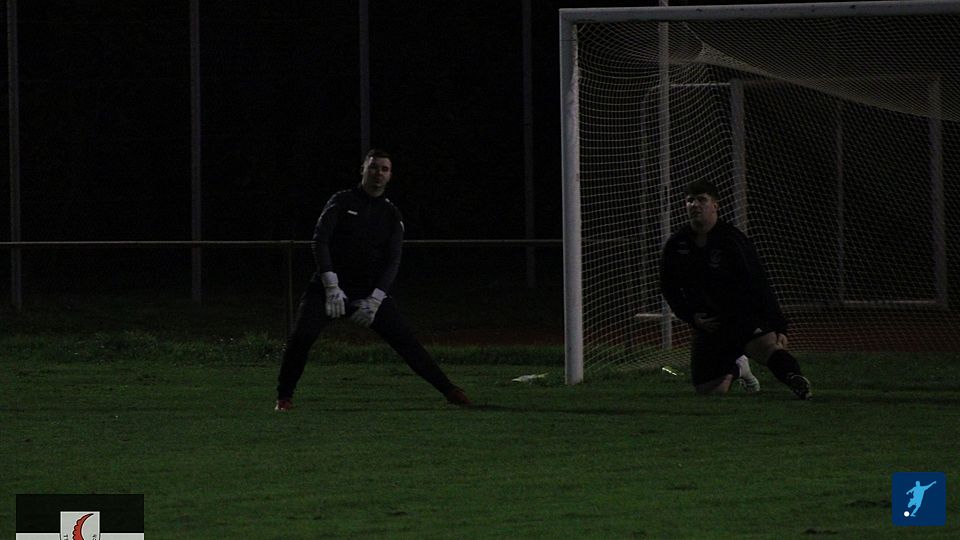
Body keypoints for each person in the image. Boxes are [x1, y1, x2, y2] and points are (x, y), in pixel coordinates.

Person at [275, 149, 471, 410]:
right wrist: (330, 284)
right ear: (363, 170)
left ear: (390, 175)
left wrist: (377, 298)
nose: (378, 173)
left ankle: (450, 390)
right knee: (300, 338)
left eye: (384, 169)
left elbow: (393, 260)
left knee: (406, 341)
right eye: (374, 167)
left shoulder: (391, 214)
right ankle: (284, 397)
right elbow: (320, 240)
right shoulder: (341, 201)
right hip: (327, 289)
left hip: (368, 292)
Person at [660, 179, 811, 399]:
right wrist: (691, 316)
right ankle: (739, 368)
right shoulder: (677, 244)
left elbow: (759, 282)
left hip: (741, 318)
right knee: (708, 391)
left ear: (715, 205)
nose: (695, 205)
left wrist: (779, 325)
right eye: (690, 200)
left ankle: (795, 380)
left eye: (702, 200)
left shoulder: (732, 240)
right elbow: (668, 286)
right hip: (710, 325)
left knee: (768, 348)